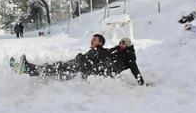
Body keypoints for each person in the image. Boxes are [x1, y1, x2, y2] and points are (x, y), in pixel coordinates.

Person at [16, 36, 145, 85]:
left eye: (124, 43)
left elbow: (134, 68)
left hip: (84, 69)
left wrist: (141, 83)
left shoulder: (128, 56)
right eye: (120, 42)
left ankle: (29, 69)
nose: (121, 44)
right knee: (58, 66)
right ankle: (30, 69)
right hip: (83, 68)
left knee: (59, 68)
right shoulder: (114, 50)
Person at [18, 34, 110, 80]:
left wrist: (80, 57)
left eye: (94, 40)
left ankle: (28, 69)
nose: (92, 41)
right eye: (92, 39)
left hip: (75, 72)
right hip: (74, 67)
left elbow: (91, 64)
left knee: (54, 68)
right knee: (54, 66)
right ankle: (29, 69)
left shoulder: (100, 52)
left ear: (100, 43)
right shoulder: (94, 51)